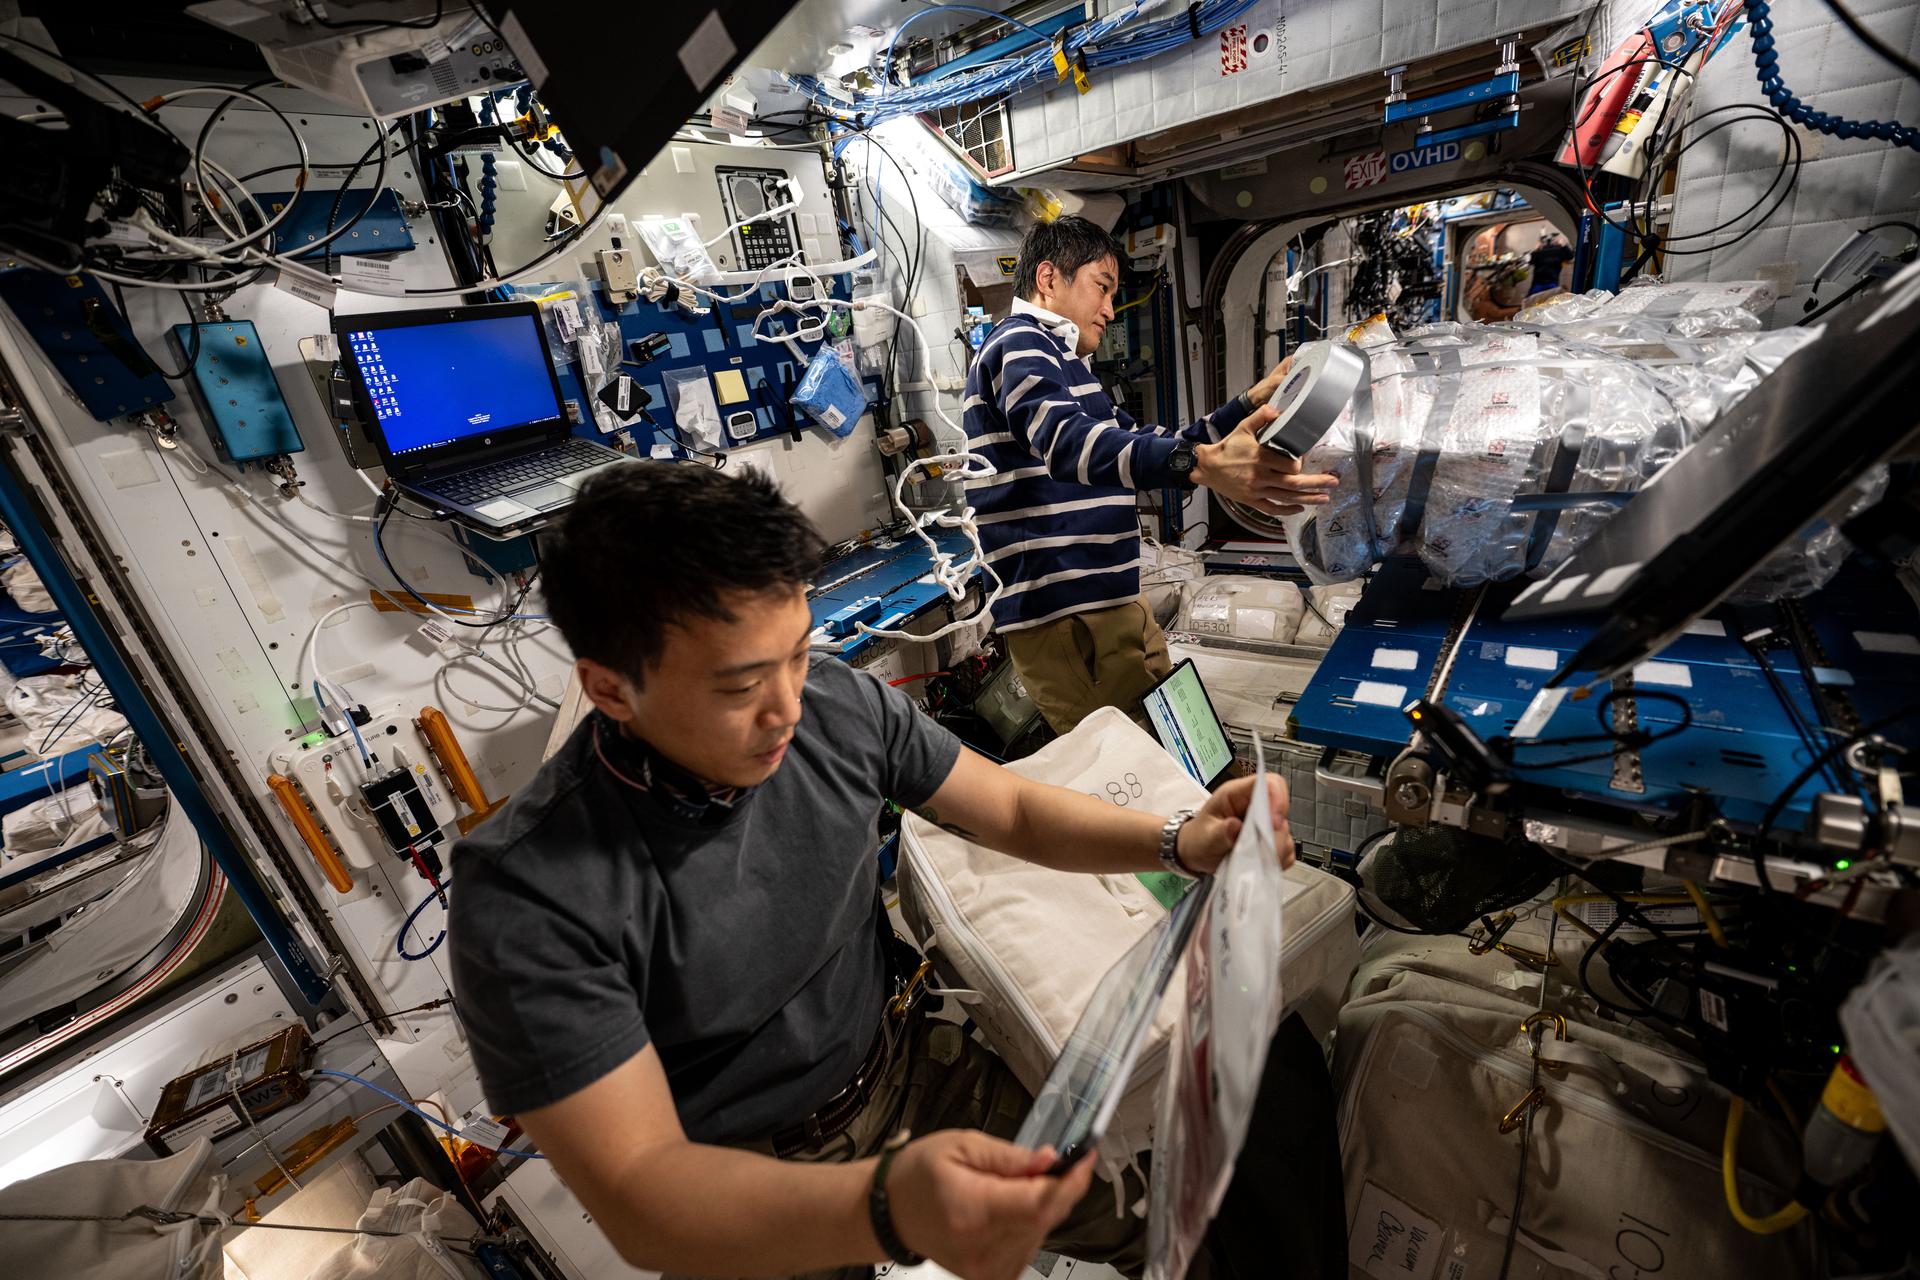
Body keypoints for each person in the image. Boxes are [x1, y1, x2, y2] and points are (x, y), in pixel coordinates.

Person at [449, 463, 1346, 1280]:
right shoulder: (531, 896)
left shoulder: (837, 706)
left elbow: (1013, 809)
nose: (788, 708)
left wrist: (1177, 841)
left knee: (1161, 1225)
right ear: (610, 689)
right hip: (744, 1175)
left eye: (799, 652)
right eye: (740, 687)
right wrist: (885, 1207)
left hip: (912, 1066)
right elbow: (647, 1195)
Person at [963, 216, 1339, 734]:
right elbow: (1068, 444)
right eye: (1102, 287)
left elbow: (1157, 443)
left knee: (1190, 749)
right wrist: (1203, 466)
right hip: (1070, 619)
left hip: (1113, 602)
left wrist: (1251, 401)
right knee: (1140, 775)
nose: (1110, 310)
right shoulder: (1020, 342)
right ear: (1049, 279)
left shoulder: (1071, 367)